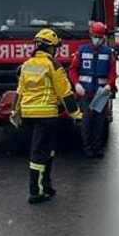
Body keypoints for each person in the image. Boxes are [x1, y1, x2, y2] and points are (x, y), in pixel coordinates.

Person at [14, 27, 81, 204]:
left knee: (46, 150)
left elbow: (19, 92)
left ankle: (47, 185)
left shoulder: (26, 65)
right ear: (50, 47)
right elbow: (65, 93)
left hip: (28, 115)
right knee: (40, 153)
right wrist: (76, 114)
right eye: (55, 47)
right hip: (47, 115)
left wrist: (15, 112)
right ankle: (35, 192)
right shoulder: (53, 65)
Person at [69, 21, 117, 158]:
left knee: (99, 122)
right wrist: (76, 84)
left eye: (100, 37)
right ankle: (87, 148)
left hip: (101, 93)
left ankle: (97, 148)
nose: (97, 39)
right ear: (91, 35)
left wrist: (109, 84)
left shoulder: (108, 52)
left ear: (104, 38)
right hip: (85, 92)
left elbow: (112, 72)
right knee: (86, 122)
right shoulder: (82, 50)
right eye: (95, 36)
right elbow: (73, 70)